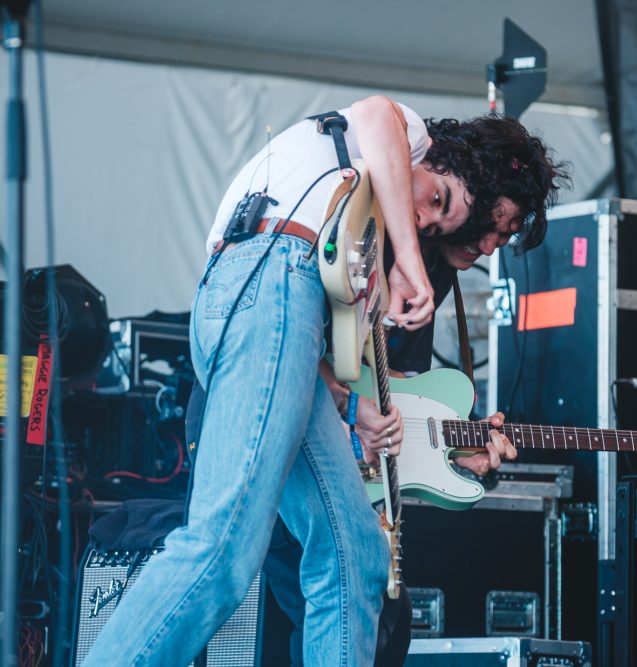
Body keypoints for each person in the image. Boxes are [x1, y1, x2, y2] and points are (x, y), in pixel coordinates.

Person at [82, 96, 563, 667]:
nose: (429, 220)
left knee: (355, 558)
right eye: (437, 201)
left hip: (273, 310)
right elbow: (374, 112)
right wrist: (407, 258)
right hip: (270, 274)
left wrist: (357, 404)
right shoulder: (405, 138)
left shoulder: (361, 243)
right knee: (222, 547)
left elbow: (330, 371)